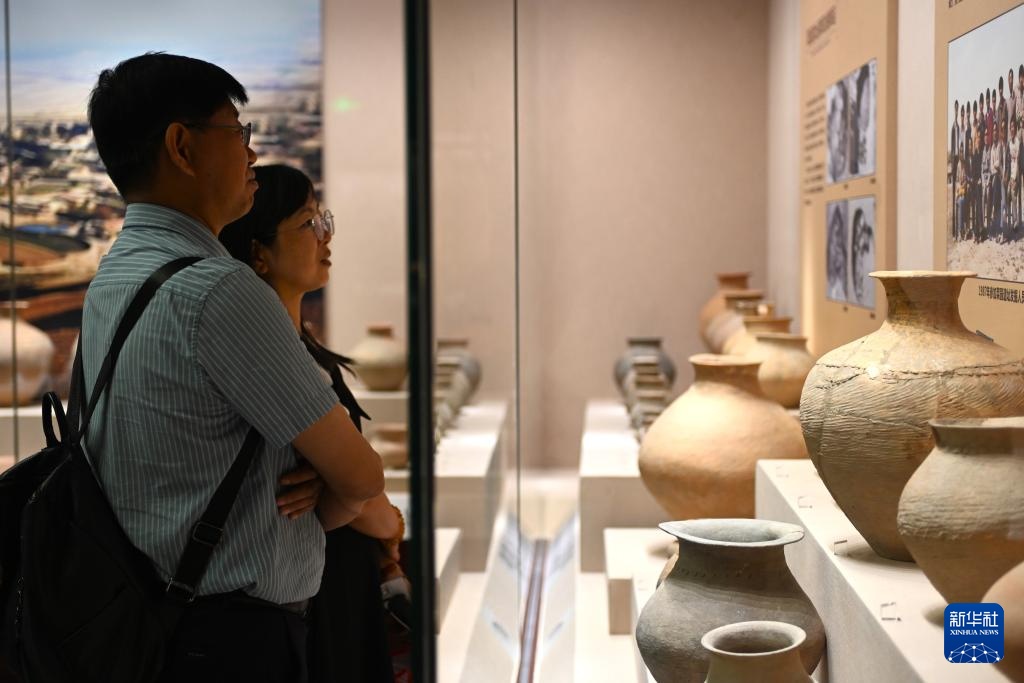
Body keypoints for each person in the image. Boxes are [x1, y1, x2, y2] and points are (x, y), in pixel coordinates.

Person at [83, 52, 385, 682]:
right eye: (238, 132)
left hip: (144, 621)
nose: (251, 153)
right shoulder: (219, 289)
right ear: (182, 146)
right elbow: (360, 475)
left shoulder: (114, 274)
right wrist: (325, 494)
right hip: (234, 640)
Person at [219, 164, 409, 683]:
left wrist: (348, 491)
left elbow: (349, 483)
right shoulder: (270, 359)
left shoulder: (302, 348)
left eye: (324, 220)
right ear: (259, 252)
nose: (326, 236)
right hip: (317, 586)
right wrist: (388, 523)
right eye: (308, 223)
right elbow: (360, 496)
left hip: (338, 574)